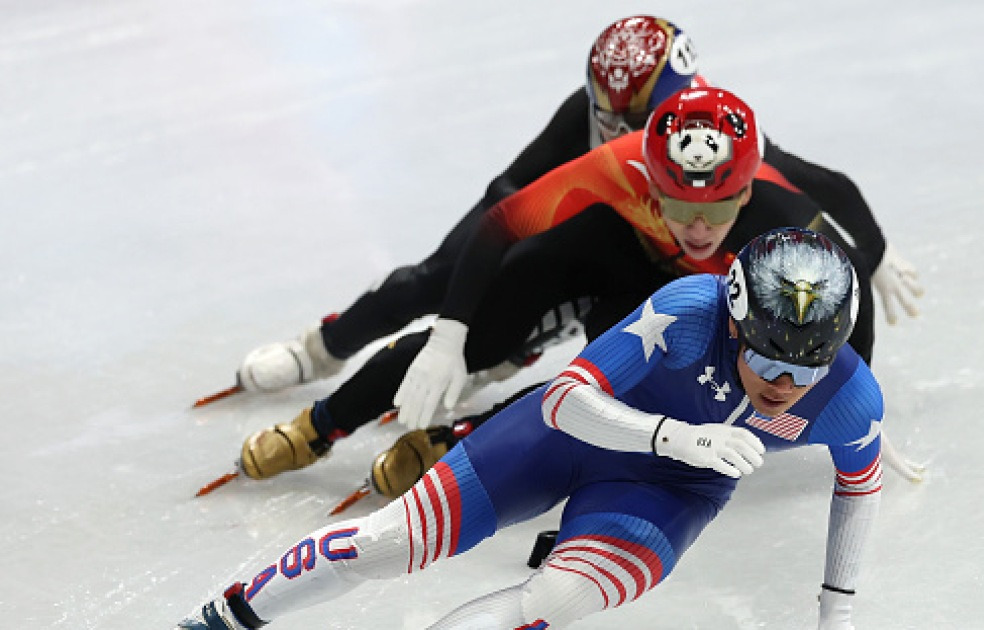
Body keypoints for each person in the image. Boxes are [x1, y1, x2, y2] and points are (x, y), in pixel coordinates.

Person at [177, 227, 884, 630]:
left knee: (552, 602)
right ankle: (225, 618)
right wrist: (674, 437)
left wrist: (837, 612)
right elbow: (564, 399)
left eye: (809, 366)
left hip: (667, 499)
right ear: (733, 323)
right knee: (385, 544)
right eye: (765, 356)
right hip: (571, 436)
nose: (784, 384)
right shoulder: (689, 309)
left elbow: (858, 487)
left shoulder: (852, 397)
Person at [232, 85, 909, 495]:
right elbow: (500, 224)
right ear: (649, 174)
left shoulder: (780, 208)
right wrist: (451, 332)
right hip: (606, 251)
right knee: (497, 311)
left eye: (718, 209)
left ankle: (463, 436)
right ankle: (317, 425)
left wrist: (855, 399)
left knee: (625, 388)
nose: (699, 228)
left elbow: (846, 278)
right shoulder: (620, 163)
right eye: (678, 204)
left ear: (748, 186)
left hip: (683, 299)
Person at [227, 14, 920, 399]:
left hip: (639, 231)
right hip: (585, 197)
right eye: (605, 115)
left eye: (636, 118)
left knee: (593, 288)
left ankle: (501, 359)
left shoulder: (705, 134)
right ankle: (320, 349)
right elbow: (509, 194)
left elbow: (815, 183)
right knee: (438, 277)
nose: (620, 131)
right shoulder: (590, 124)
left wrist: (874, 254)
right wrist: (464, 286)